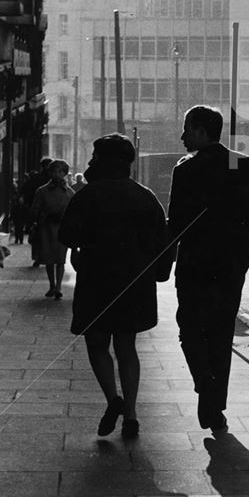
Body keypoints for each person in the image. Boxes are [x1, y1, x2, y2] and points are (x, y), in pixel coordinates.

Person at [58, 134, 169, 439]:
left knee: (97, 342)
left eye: (95, 155)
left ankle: (113, 399)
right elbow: (163, 240)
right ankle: (131, 413)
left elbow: (67, 236)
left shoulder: (88, 195)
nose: (91, 160)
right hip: (134, 283)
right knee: (126, 345)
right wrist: (160, 273)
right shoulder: (146, 196)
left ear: (103, 161)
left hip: (96, 280)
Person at [167, 105, 249, 434]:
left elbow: (177, 223)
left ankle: (205, 388)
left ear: (202, 131)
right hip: (230, 266)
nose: (183, 136)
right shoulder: (242, 163)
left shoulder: (185, 168)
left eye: (187, 129)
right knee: (221, 334)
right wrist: (242, 253)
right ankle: (216, 405)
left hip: (195, 264)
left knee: (190, 328)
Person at [29, 159, 74, 298]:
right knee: (49, 259)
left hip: (62, 228)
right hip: (46, 228)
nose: (57, 174)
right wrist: (43, 215)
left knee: (60, 259)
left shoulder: (70, 193)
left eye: (60, 171)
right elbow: (34, 210)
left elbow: (74, 212)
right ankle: (52, 285)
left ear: (65, 173)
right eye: (54, 171)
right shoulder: (42, 191)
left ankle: (58, 287)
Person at [21, 157, 52, 266]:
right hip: (50, 211)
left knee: (38, 236)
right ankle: (49, 256)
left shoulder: (36, 178)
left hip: (38, 211)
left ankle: (38, 257)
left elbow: (24, 190)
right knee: (51, 235)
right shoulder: (53, 179)